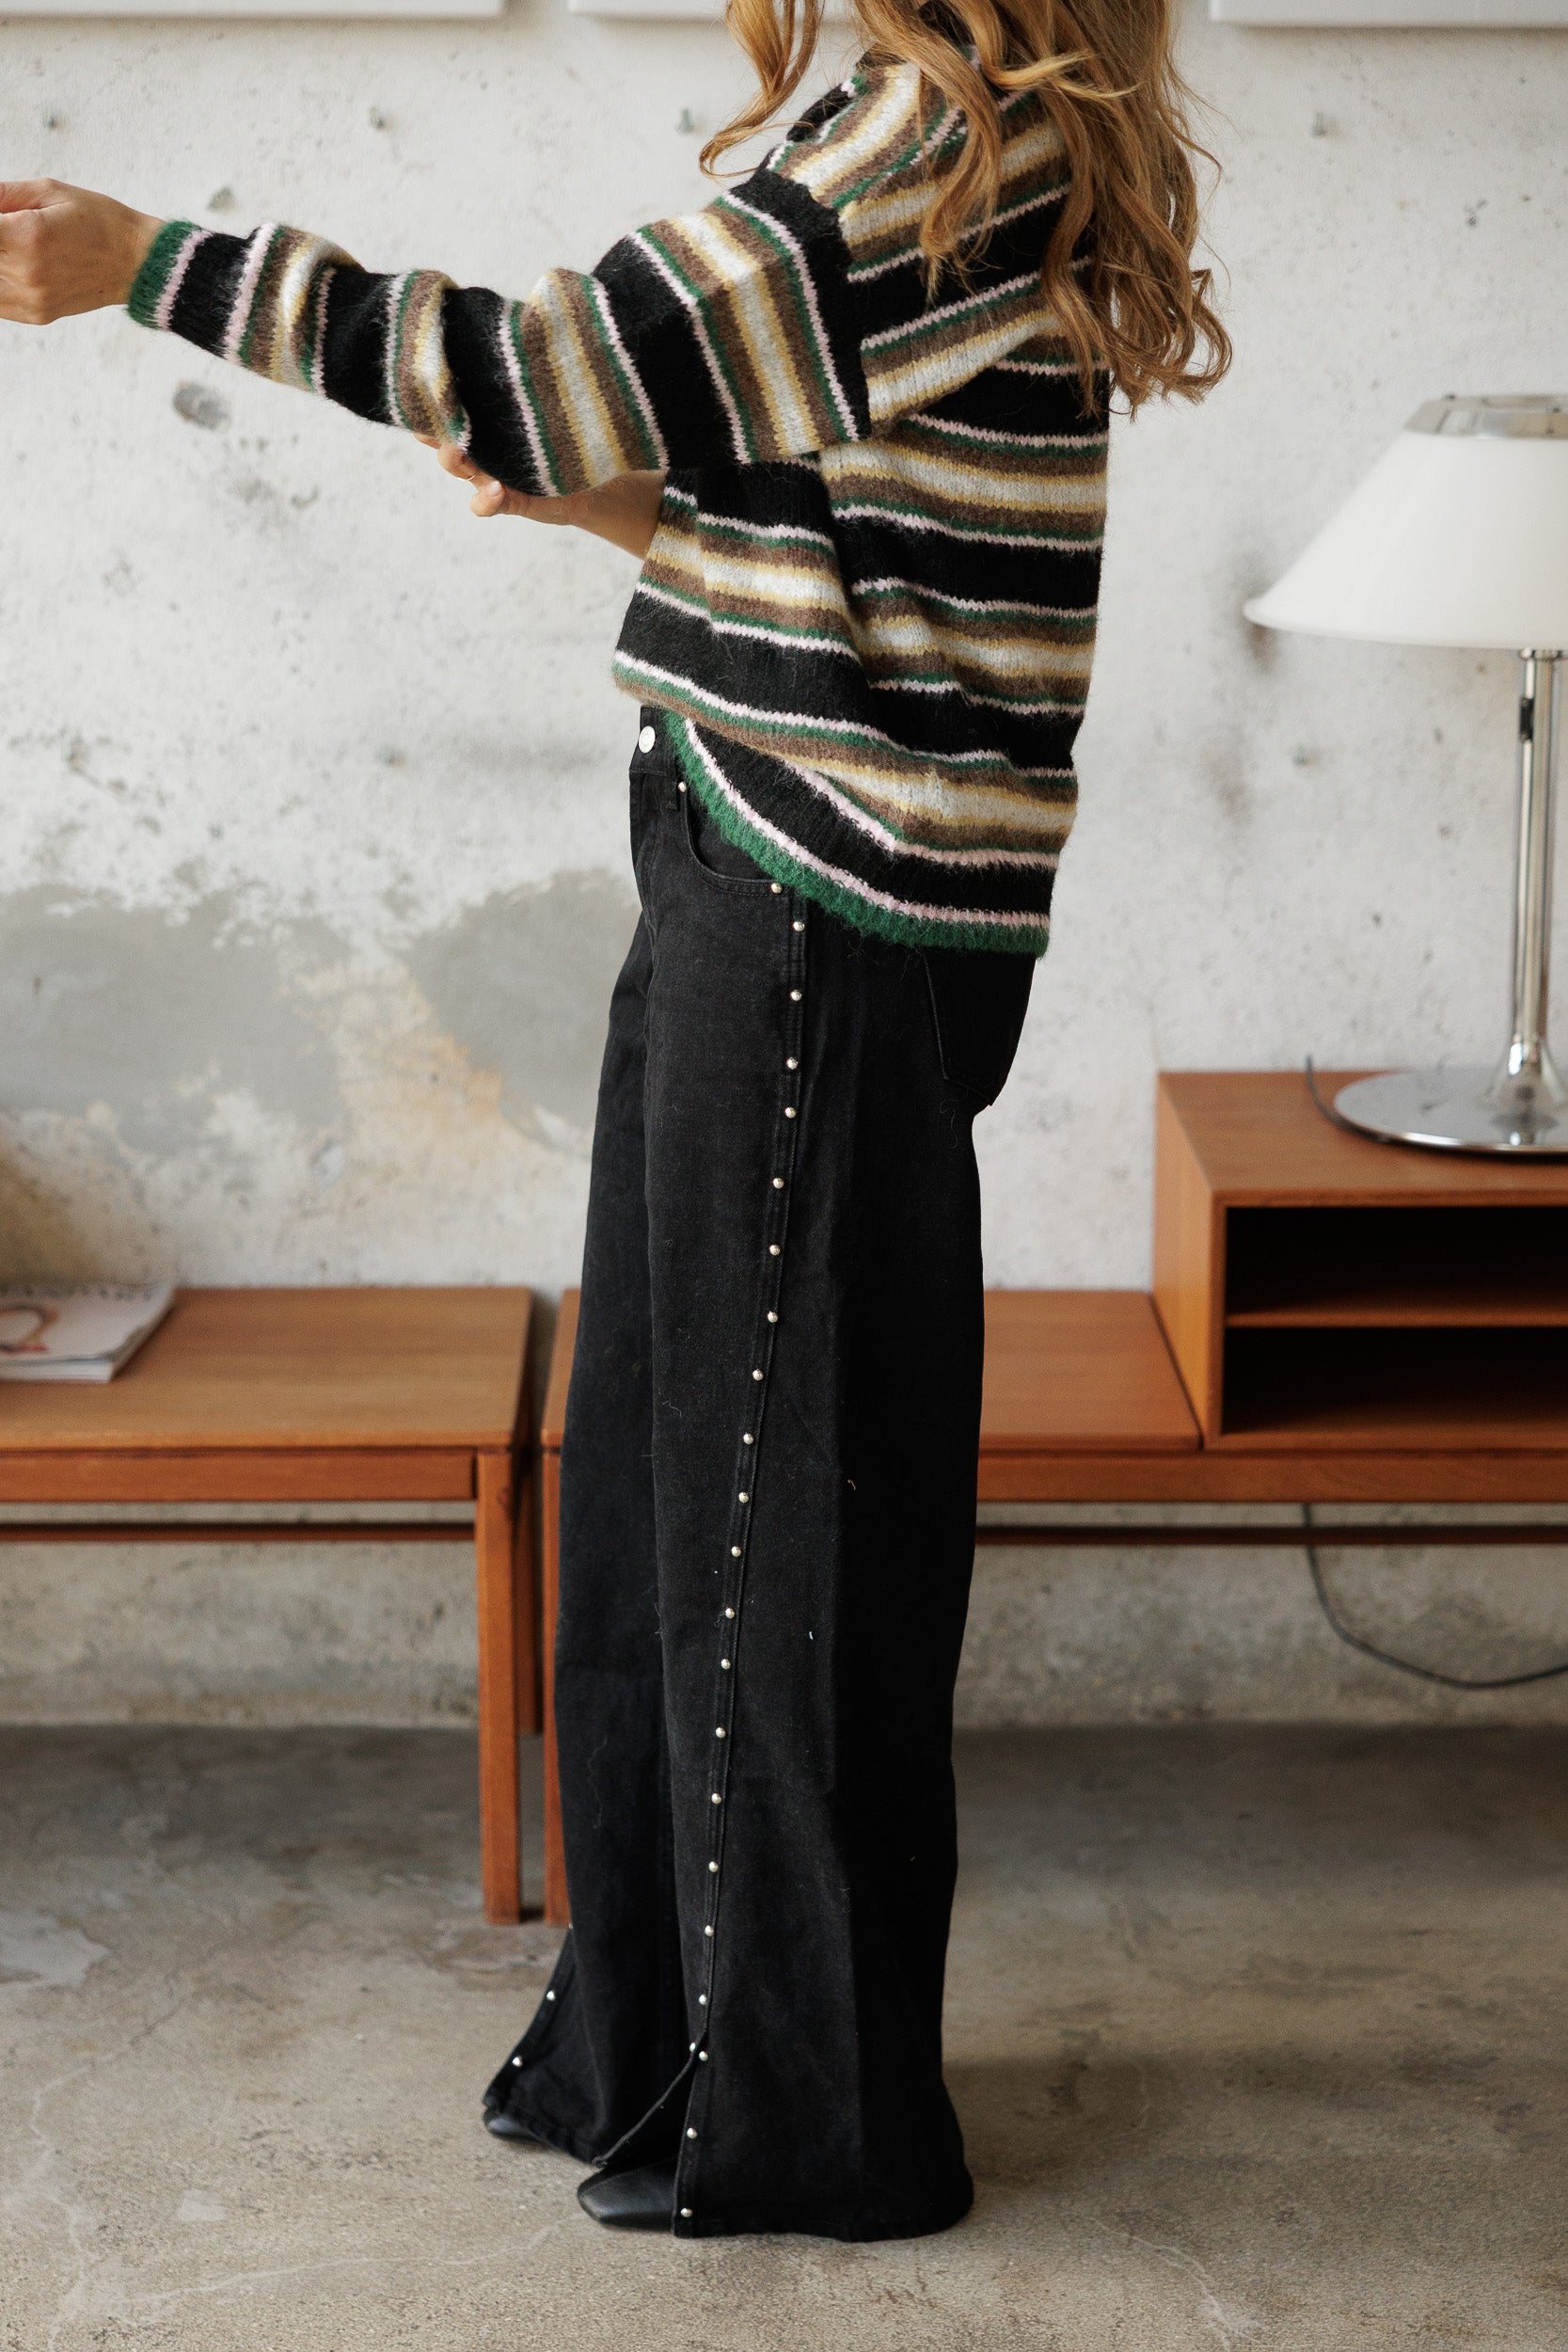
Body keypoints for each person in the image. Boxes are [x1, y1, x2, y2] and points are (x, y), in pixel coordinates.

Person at [0, 0, 1227, 2243]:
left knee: (778, 1542)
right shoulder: (913, 133)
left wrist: (145, 262)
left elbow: (544, 358)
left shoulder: (933, 151)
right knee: (670, 1488)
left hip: (821, 904)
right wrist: (606, 501)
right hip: (757, 857)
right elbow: (837, 554)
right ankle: (656, 2039)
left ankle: (811, 2121)